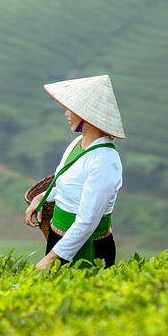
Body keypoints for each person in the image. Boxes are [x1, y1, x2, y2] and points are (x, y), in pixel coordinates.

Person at [25, 74, 124, 270]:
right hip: (60, 239)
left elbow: (88, 221)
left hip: (87, 246)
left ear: (86, 115)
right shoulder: (76, 145)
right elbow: (66, 183)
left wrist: (51, 259)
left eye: (70, 109)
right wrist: (42, 197)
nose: (66, 114)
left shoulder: (104, 161)